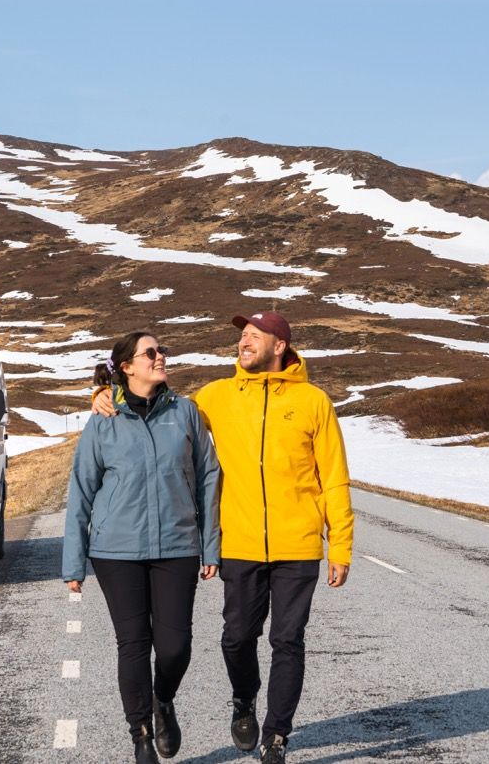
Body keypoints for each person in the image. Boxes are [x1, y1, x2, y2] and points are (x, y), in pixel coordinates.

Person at [95, 312, 354, 764]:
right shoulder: (215, 396)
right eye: (242, 337)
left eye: (255, 336)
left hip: (299, 544)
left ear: (281, 346)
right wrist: (105, 393)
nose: (244, 342)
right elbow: (157, 408)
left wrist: (341, 546)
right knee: (237, 638)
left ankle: (276, 738)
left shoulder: (314, 402)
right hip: (238, 542)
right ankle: (243, 700)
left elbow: (335, 478)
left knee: (288, 641)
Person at [64, 332, 222, 764]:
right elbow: (81, 490)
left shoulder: (185, 412)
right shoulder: (104, 418)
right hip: (116, 550)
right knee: (133, 644)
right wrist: (73, 561)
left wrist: (211, 546)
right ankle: (140, 735)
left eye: (162, 351)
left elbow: (208, 478)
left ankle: (163, 699)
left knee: (175, 646)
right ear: (127, 367)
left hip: (177, 545)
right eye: (151, 353)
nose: (161, 357)